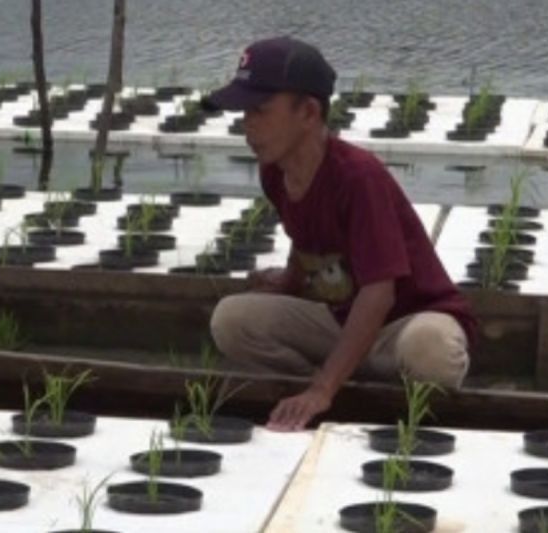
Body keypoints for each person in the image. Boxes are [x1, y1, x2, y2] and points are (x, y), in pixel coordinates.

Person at [203, 36, 476, 432]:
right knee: (232, 319)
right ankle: (340, 376)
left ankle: (331, 383)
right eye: (244, 113)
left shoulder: (357, 177)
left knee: (429, 351)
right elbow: (307, 239)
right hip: (341, 320)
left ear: (309, 112)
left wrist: (323, 388)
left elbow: (380, 292)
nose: (248, 125)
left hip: (402, 324)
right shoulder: (276, 172)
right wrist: (287, 282)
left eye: (259, 110)